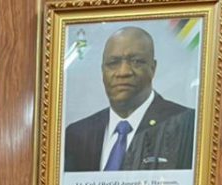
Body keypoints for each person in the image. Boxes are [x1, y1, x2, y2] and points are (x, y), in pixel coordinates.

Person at [63, 25, 196, 171]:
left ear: (153, 67)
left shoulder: (187, 124)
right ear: (103, 71)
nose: (123, 72)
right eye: (113, 63)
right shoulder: (77, 134)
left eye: (136, 61)